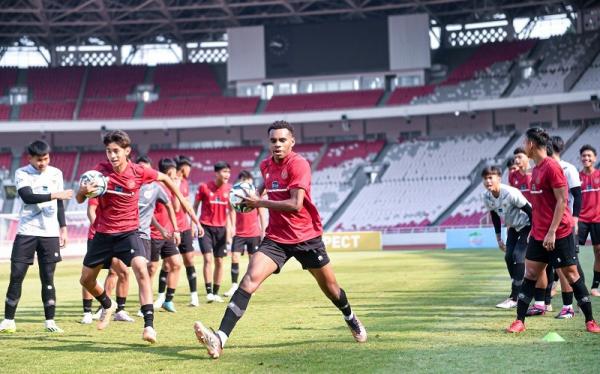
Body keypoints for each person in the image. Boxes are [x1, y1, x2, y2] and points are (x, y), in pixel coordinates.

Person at [193, 121, 367, 359]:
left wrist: (259, 203)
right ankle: (220, 339)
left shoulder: (299, 165)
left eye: (282, 140)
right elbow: (260, 192)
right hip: (276, 239)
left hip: (306, 237)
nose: (277, 144)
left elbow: (295, 205)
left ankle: (350, 317)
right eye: (273, 140)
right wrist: (247, 197)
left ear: (291, 142)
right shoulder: (265, 166)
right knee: (248, 281)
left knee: (331, 289)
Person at [76, 130, 201, 343]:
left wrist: (189, 211)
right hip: (103, 233)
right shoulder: (99, 172)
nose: (112, 156)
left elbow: (164, 178)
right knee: (86, 280)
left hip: (129, 232)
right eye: (108, 151)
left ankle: (149, 326)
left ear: (127, 151)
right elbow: (80, 199)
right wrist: (82, 191)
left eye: (116, 151)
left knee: (142, 269)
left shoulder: (139, 172)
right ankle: (108, 304)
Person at [506, 127, 599, 334]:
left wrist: (552, 231)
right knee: (530, 273)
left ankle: (590, 321)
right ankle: (519, 321)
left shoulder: (552, 167)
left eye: (524, 142)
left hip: (560, 232)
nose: (523, 146)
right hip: (539, 233)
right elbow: (540, 205)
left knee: (572, 275)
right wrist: (536, 229)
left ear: (531, 144)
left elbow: (562, 201)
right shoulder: (536, 169)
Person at [0, 140, 72, 333]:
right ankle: (8, 320)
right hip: (27, 231)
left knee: (48, 277)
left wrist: (63, 228)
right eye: (39, 160)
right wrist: (56, 194)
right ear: (29, 158)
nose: (43, 163)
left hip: (49, 234)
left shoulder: (56, 173)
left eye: (46, 158)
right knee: (16, 275)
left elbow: (59, 204)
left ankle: (50, 321)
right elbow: (27, 197)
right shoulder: (22, 173)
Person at [527, 136, 583, 318]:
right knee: (541, 268)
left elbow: (574, 196)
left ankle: (569, 307)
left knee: (565, 268)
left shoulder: (566, 168)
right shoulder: (539, 169)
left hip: (561, 226)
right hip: (544, 228)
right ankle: (542, 304)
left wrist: (574, 220)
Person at [481, 166, 532, 309]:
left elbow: (530, 211)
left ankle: (515, 298)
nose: (488, 181)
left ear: (499, 178)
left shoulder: (510, 193)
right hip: (513, 228)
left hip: (528, 225)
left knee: (518, 256)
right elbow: (495, 216)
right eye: (485, 178)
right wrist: (498, 238)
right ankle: (518, 285)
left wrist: (533, 231)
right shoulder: (486, 196)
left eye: (491, 177)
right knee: (508, 257)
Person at [155, 155, 199, 308]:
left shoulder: (185, 183)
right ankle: (161, 297)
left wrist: (194, 224)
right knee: (167, 265)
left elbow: (186, 206)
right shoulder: (162, 186)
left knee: (188, 261)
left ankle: (193, 296)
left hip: (184, 228)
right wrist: (176, 188)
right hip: (170, 229)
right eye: (188, 167)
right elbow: (176, 208)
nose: (190, 170)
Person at [80, 198, 132, 324]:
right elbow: (91, 211)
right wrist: (99, 231)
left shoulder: (119, 189)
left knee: (118, 272)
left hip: (116, 237)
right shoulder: (100, 187)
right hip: (98, 237)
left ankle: (111, 308)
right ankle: (87, 312)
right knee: (89, 275)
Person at [147, 158, 184, 312]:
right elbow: (148, 212)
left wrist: (177, 188)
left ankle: (168, 300)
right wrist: (159, 228)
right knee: (152, 269)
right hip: (154, 233)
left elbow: (175, 208)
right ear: (169, 171)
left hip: (167, 234)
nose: (176, 174)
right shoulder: (154, 187)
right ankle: (146, 303)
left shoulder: (171, 187)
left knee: (176, 263)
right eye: (174, 171)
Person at [193, 161, 233, 303]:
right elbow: (195, 206)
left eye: (228, 172)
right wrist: (194, 224)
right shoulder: (204, 187)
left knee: (220, 261)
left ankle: (216, 292)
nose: (227, 175)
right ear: (216, 173)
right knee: (208, 259)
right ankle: (209, 292)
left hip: (221, 229)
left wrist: (231, 229)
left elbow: (231, 210)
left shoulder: (230, 189)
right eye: (224, 171)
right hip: (205, 228)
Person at [224, 170, 268, 297]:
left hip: (254, 233)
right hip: (239, 233)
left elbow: (261, 214)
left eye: (248, 180)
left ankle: (251, 286)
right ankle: (234, 286)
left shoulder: (255, 196)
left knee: (253, 261)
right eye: (244, 180)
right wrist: (231, 229)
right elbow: (231, 213)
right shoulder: (234, 196)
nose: (246, 183)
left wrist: (263, 231)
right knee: (234, 258)